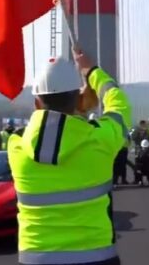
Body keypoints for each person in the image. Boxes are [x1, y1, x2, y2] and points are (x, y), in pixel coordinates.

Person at [7, 49, 130, 265]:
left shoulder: (16, 147)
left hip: (36, 259)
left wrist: (75, 107)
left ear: (37, 104)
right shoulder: (100, 140)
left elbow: (48, 129)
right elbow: (118, 105)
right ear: (78, 101)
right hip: (96, 256)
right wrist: (91, 71)